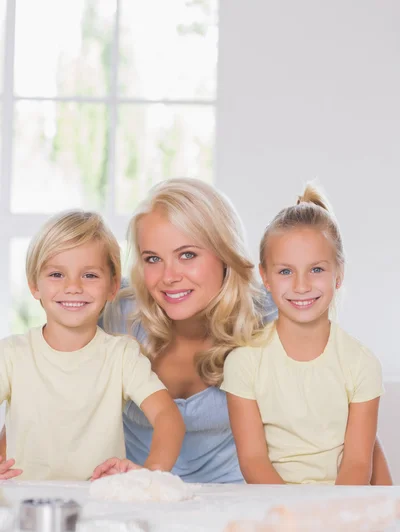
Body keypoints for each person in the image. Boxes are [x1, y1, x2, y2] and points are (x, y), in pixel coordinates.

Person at [89, 178, 391, 485]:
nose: (169, 276)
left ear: (224, 253)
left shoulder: (270, 312)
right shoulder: (116, 310)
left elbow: (346, 414)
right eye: (153, 259)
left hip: (239, 504)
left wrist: (385, 509)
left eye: (187, 255)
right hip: (140, 499)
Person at [221, 184, 390, 485]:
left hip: (341, 506)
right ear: (266, 277)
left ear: (339, 273)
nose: (301, 286)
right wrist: (293, 520)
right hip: (273, 508)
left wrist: (325, 520)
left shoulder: (361, 364)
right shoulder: (244, 363)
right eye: (286, 271)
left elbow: (357, 464)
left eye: (316, 270)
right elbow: (253, 462)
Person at [0, 210, 184, 481]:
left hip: (100, 500)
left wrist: (148, 475)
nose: (73, 286)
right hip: (23, 503)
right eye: (56, 274)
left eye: (89, 275)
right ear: (34, 285)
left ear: (112, 286)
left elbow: (169, 420)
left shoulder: (121, 355)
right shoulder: (11, 354)